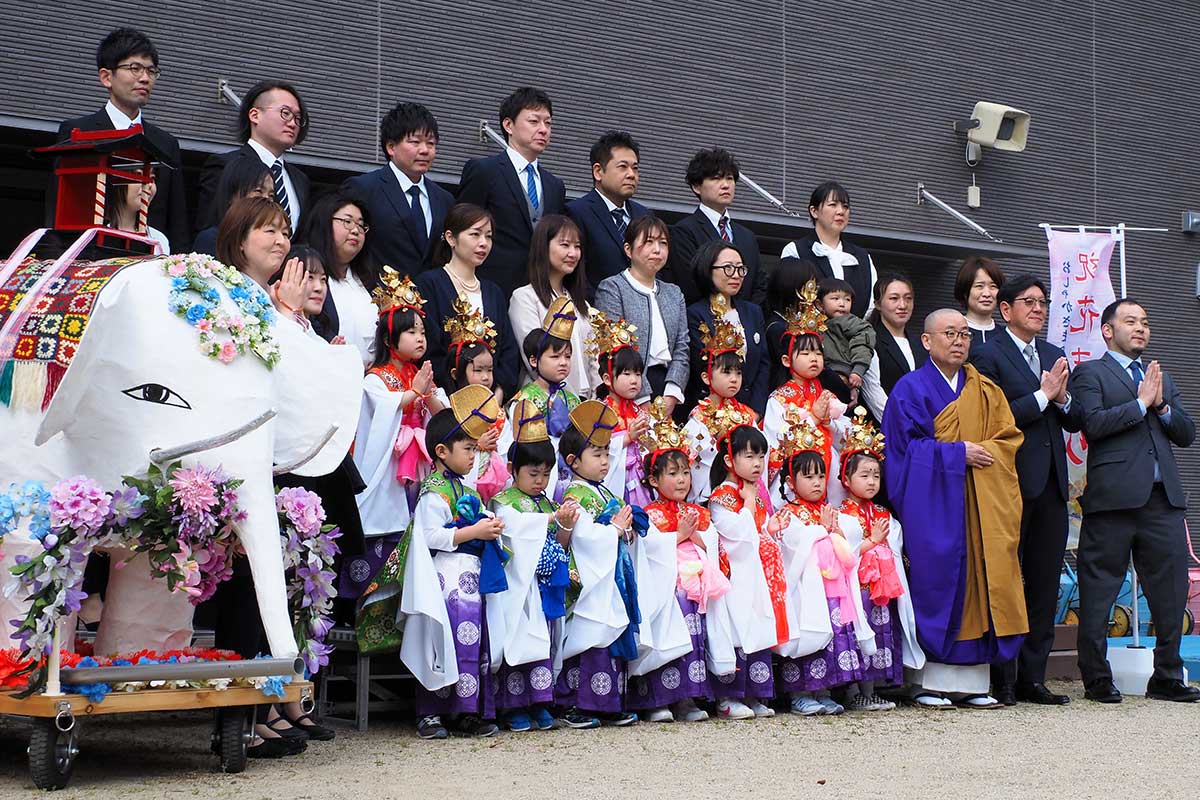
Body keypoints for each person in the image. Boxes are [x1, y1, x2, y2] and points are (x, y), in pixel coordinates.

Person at [211, 195, 314, 756]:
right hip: (233, 455)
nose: (279, 241)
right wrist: (287, 316)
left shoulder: (262, 295)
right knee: (243, 586)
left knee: (263, 588)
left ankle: (265, 703)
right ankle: (241, 713)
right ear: (238, 236)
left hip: (267, 453)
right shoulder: (222, 289)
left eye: (284, 232)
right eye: (267, 231)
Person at [882, 308, 1026, 708]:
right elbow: (901, 453)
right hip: (934, 505)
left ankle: (975, 685)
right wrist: (956, 454)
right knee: (939, 577)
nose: (959, 340)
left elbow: (1008, 439)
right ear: (927, 341)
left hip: (981, 504)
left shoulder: (986, 390)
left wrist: (980, 452)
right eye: (949, 333)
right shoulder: (910, 390)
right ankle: (930, 682)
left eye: (964, 333)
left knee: (982, 580)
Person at [1068, 299, 1199, 703]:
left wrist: (1159, 404)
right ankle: (1096, 677)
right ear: (1108, 330)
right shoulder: (1091, 373)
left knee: (1170, 592)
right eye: (1130, 321)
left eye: (1145, 322)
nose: (1140, 328)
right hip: (1113, 501)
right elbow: (1092, 424)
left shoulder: (1158, 376)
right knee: (1099, 589)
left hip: (1162, 501)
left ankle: (1166, 676)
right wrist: (1140, 404)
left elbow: (1186, 432)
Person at [360, 386, 506, 739]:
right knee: (442, 643)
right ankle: (432, 713)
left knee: (473, 645)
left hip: (470, 580)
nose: (473, 455)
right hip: (443, 578)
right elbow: (430, 537)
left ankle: (466, 711)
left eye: (474, 448)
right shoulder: (434, 490)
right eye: (468, 448)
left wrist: (493, 529)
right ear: (441, 451)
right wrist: (473, 531)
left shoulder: (469, 492)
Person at [971, 274, 1083, 706]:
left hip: (1054, 485)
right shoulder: (988, 355)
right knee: (1005, 580)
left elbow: (1074, 419)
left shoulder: (1055, 355)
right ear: (1006, 310)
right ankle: (1003, 677)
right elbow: (993, 418)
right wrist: (1042, 395)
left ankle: (1033, 678)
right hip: (1009, 483)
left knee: (1043, 582)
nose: (1038, 309)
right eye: (1029, 302)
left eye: (1043, 302)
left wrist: (1061, 399)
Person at [349, 270, 447, 601]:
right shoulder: (377, 378)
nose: (420, 338)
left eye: (422, 331)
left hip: (418, 465)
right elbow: (382, 412)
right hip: (391, 467)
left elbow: (441, 415)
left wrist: (428, 394)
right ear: (390, 340)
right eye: (411, 332)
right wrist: (411, 393)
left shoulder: (418, 375)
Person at [767, 418, 872, 716]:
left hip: (832, 588)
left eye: (821, 476)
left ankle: (824, 689)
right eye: (808, 476)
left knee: (833, 635)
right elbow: (794, 545)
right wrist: (822, 532)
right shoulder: (787, 512)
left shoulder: (829, 511)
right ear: (791, 480)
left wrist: (834, 530)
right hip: (807, 587)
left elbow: (851, 536)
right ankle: (801, 692)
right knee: (808, 632)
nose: (816, 482)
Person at [49, 28, 188, 250]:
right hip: (91, 253)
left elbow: (177, 220)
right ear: (106, 77)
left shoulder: (166, 143)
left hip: (152, 258)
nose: (144, 78)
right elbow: (59, 205)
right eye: (135, 68)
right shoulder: (78, 132)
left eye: (151, 71)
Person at [636, 398, 729, 722]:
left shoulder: (699, 511)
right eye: (672, 473)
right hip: (668, 586)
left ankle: (689, 698)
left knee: (698, 630)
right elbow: (645, 551)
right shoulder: (649, 514)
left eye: (685, 473)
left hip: (699, 585)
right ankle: (660, 697)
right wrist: (677, 536)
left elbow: (714, 545)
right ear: (652, 480)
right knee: (671, 624)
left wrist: (692, 535)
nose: (681, 480)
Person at [556, 401, 640, 728]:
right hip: (588, 575)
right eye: (597, 455)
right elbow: (585, 536)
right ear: (573, 461)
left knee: (608, 632)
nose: (605, 461)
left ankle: (608, 703)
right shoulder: (572, 493)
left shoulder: (603, 492)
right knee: (589, 635)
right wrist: (616, 529)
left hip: (609, 576)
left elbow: (617, 527)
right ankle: (577, 704)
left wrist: (627, 529)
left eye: (607, 454)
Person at [836, 410, 921, 711]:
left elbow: (895, 542)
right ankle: (853, 691)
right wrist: (870, 542)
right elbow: (842, 552)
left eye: (876, 475)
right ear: (845, 478)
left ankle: (871, 689)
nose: (872, 481)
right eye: (864, 475)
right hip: (858, 588)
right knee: (859, 634)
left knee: (883, 633)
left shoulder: (883, 513)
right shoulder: (841, 514)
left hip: (882, 589)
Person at [458, 87, 566, 295]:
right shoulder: (484, 171)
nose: (543, 129)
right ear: (508, 125)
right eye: (534, 121)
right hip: (491, 288)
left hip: (540, 293)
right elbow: (462, 229)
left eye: (548, 123)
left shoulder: (555, 185)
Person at [706, 418, 778, 720]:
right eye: (749, 456)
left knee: (756, 625)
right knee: (735, 628)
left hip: (756, 571)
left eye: (761, 456)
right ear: (729, 460)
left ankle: (755, 693)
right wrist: (748, 507)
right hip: (733, 573)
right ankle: (727, 696)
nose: (757, 463)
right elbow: (735, 533)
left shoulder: (755, 492)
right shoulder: (722, 496)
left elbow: (758, 531)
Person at [416, 204, 520, 400]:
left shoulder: (494, 292)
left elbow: (508, 351)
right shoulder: (429, 284)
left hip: (491, 402)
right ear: (450, 238)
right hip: (443, 400)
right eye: (475, 234)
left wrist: (498, 394)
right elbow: (429, 348)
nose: (484, 243)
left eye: (488, 236)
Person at [763, 279, 850, 509]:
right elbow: (775, 447)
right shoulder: (779, 399)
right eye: (805, 353)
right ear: (786, 360)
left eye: (818, 353)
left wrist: (829, 422)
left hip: (829, 472)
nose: (814, 359)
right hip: (794, 476)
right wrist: (812, 419)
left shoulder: (826, 394)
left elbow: (846, 437)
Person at [343, 102, 453, 277]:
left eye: (431, 143)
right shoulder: (363, 188)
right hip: (377, 296)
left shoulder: (445, 200)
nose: (425, 150)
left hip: (428, 300)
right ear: (391, 147)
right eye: (415, 142)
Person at [594, 217, 689, 415]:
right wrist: (642, 397)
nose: (657, 250)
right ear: (628, 249)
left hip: (669, 387)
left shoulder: (674, 293)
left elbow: (682, 346)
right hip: (629, 387)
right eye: (649, 242)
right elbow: (615, 347)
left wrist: (672, 392)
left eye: (663, 243)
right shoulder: (612, 288)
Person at [499, 298, 585, 503]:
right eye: (555, 357)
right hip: (541, 475)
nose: (563, 362)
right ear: (534, 360)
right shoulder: (524, 400)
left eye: (567, 356)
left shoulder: (573, 400)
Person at [508, 215, 602, 399]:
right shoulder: (525, 297)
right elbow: (534, 358)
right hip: (545, 403)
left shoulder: (582, 304)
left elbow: (594, 358)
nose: (573, 253)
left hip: (586, 404)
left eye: (577, 246)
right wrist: (569, 402)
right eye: (565, 245)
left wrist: (594, 400)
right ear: (544, 247)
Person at [198, 80, 311, 232]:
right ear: (255, 115)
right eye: (285, 113)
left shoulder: (300, 180)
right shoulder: (225, 165)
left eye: (298, 118)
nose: (292, 123)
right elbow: (211, 228)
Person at [667, 148, 766, 305]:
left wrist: (745, 315)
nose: (725, 185)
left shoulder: (747, 236)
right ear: (696, 186)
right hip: (704, 322)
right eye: (716, 179)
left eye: (730, 178)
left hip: (747, 323)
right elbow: (689, 284)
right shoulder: (684, 231)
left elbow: (759, 285)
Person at [685, 240, 769, 415]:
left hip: (750, 411)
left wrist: (756, 410)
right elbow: (699, 365)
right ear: (708, 270)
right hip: (712, 411)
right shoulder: (695, 314)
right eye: (728, 268)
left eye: (740, 269)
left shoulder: (753, 312)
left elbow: (763, 363)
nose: (736, 275)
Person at [683, 317, 759, 505]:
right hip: (713, 491)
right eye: (726, 372)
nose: (734, 379)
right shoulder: (699, 416)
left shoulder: (746, 414)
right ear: (706, 377)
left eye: (738, 373)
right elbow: (697, 459)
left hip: (748, 487)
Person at [299, 191, 378, 364]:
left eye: (361, 225)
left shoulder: (371, 280)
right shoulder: (303, 270)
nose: (356, 231)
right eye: (347, 222)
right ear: (324, 222)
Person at [566, 131, 653, 286]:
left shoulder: (645, 215)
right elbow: (575, 275)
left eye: (635, 168)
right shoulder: (576, 213)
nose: (631, 175)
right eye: (623, 167)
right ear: (598, 171)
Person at [443, 296, 508, 504]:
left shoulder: (496, 410)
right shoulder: (448, 407)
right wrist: (476, 445)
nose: (486, 377)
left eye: (489, 370)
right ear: (456, 373)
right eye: (478, 370)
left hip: (495, 480)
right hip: (460, 481)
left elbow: (506, 442)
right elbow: (444, 446)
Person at [780, 182, 878, 318]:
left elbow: (871, 305)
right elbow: (789, 299)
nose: (841, 211)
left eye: (845, 206)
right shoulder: (796, 250)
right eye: (833, 205)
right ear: (814, 211)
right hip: (809, 335)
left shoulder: (862, 257)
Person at [590, 311, 652, 506]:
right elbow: (594, 448)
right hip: (616, 480)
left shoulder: (640, 411)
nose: (634, 380)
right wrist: (626, 438)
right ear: (607, 378)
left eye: (638, 374)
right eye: (626, 374)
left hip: (640, 481)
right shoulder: (599, 412)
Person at [861, 273, 927, 420]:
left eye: (908, 298)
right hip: (885, 429)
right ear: (877, 304)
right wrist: (901, 426)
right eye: (894, 298)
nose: (903, 305)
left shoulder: (920, 344)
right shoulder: (869, 339)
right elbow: (873, 392)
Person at [192, 159, 273, 258]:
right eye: (258, 191)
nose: (266, 200)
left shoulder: (270, 242)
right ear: (232, 194)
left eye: (271, 195)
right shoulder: (212, 239)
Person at [817, 277, 876, 407]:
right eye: (835, 298)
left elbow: (862, 344)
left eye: (847, 299)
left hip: (842, 376)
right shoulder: (814, 324)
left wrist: (857, 370)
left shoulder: (851, 323)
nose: (842, 303)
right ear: (820, 304)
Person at [103, 173, 169, 252]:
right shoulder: (95, 235)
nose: (149, 184)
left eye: (152, 178)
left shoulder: (158, 239)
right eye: (138, 175)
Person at [955, 255, 1005, 348]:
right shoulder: (953, 333)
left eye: (993, 286)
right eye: (979, 286)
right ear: (965, 291)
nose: (987, 293)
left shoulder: (1007, 337)